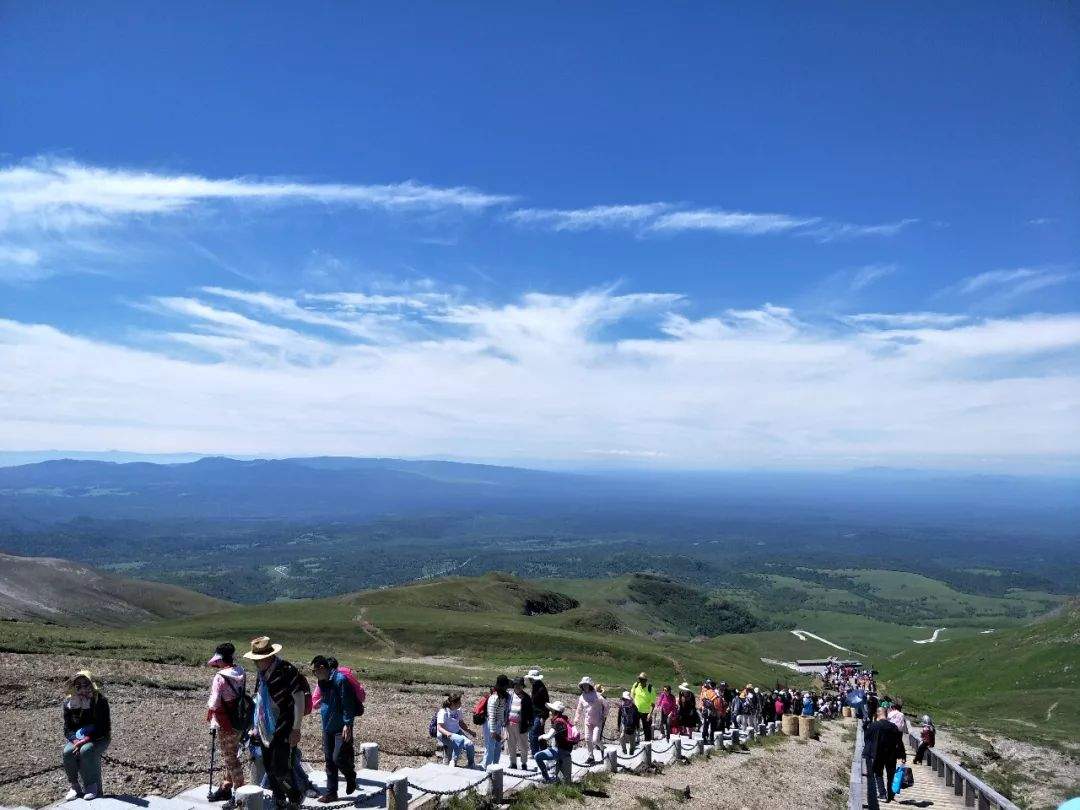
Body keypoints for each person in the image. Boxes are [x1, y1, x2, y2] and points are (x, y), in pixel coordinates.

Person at [245, 636, 306, 809]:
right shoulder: (262, 673)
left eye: (258, 660)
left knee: (280, 768)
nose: (256, 663)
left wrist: (296, 728)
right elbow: (259, 699)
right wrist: (255, 725)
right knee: (269, 767)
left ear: (268, 657)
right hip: (265, 727)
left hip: (284, 724)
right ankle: (279, 800)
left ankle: (295, 796)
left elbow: (299, 697)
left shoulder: (286, 670)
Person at [206, 643, 248, 803]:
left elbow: (214, 703)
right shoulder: (241, 671)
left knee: (230, 758)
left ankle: (240, 795)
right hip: (238, 719)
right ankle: (226, 786)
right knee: (232, 753)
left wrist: (210, 709)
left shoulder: (220, 677)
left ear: (220, 659)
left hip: (224, 722)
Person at [310, 656, 356, 802]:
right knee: (329, 760)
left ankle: (350, 776)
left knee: (338, 758)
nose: (314, 674)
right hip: (327, 726)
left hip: (341, 727)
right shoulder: (322, 681)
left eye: (315, 671)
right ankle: (331, 793)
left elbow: (347, 704)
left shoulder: (340, 680)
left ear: (322, 668)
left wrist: (348, 724)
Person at [62, 670, 111, 801]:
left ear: (92, 684)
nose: (83, 688)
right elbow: (67, 729)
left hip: (99, 737)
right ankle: (74, 786)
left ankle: (92, 787)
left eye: (86, 684)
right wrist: (75, 740)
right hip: (77, 738)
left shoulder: (100, 701)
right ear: (74, 687)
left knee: (86, 750)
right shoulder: (69, 703)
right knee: (67, 752)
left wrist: (85, 740)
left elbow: (103, 728)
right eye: (78, 686)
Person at [863, 708, 906, 808]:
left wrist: (866, 726)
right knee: (891, 775)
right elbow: (899, 742)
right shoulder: (894, 727)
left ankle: (882, 793)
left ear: (878, 714)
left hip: (878, 753)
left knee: (878, 773)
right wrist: (903, 755)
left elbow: (867, 737)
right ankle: (890, 795)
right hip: (891, 754)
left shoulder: (875, 725)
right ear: (886, 714)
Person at [536, 701, 574, 783]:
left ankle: (547, 778)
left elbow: (548, 736)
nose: (549, 712)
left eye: (551, 710)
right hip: (567, 749)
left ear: (554, 711)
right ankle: (552, 776)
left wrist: (541, 736)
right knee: (551, 751)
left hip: (560, 750)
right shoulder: (564, 719)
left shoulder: (557, 722)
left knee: (537, 756)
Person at [436, 693, 477, 768]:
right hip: (444, 734)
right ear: (453, 703)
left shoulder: (458, 710)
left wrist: (470, 731)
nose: (461, 704)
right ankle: (453, 761)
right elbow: (439, 727)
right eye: (459, 702)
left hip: (457, 732)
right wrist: (448, 733)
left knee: (470, 744)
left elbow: (461, 723)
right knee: (460, 740)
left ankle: (471, 764)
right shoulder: (443, 711)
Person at [573, 676, 604, 764]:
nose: (585, 687)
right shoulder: (582, 697)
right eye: (583, 685)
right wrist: (576, 718)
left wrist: (604, 715)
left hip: (598, 721)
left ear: (590, 685)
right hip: (588, 721)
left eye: (586, 685)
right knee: (587, 739)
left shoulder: (597, 695)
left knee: (595, 740)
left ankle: (603, 749)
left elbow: (606, 705)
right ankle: (591, 757)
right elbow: (579, 709)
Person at [483, 675, 511, 768]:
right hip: (491, 725)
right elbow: (491, 716)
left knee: (498, 748)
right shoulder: (494, 698)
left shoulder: (503, 697)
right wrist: (493, 732)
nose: (507, 687)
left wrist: (503, 727)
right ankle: (486, 768)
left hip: (498, 724)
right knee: (490, 748)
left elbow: (502, 713)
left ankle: (495, 767)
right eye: (506, 685)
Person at [506, 677, 534, 770]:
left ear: (522, 686)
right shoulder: (510, 695)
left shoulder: (526, 698)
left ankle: (524, 763)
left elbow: (531, 712)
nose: (517, 687)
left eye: (519, 686)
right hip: (509, 724)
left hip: (521, 725)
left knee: (523, 745)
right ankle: (513, 763)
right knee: (511, 744)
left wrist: (531, 724)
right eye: (515, 685)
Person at [525, 668, 549, 757]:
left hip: (540, 714)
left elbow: (546, 703)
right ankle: (543, 751)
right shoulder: (535, 686)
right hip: (534, 713)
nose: (530, 680)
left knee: (533, 733)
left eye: (531, 679)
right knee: (539, 733)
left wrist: (543, 717)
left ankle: (535, 752)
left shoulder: (541, 688)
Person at [630, 672, 657, 741]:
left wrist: (650, 714)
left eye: (642, 679)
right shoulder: (636, 685)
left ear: (646, 680)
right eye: (640, 679)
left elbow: (653, 704)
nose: (641, 681)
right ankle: (633, 743)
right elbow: (632, 694)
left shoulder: (650, 689)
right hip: (636, 710)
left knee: (647, 730)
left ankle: (647, 746)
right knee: (633, 727)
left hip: (646, 712)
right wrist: (633, 702)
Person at [698, 680, 722, 745]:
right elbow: (717, 704)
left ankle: (704, 738)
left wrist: (702, 708)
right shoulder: (715, 694)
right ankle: (711, 739)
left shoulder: (704, 692)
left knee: (705, 725)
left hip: (705, 711)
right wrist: (718, 712)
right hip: (713, 712)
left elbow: (701, 701)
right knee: (713, 726)